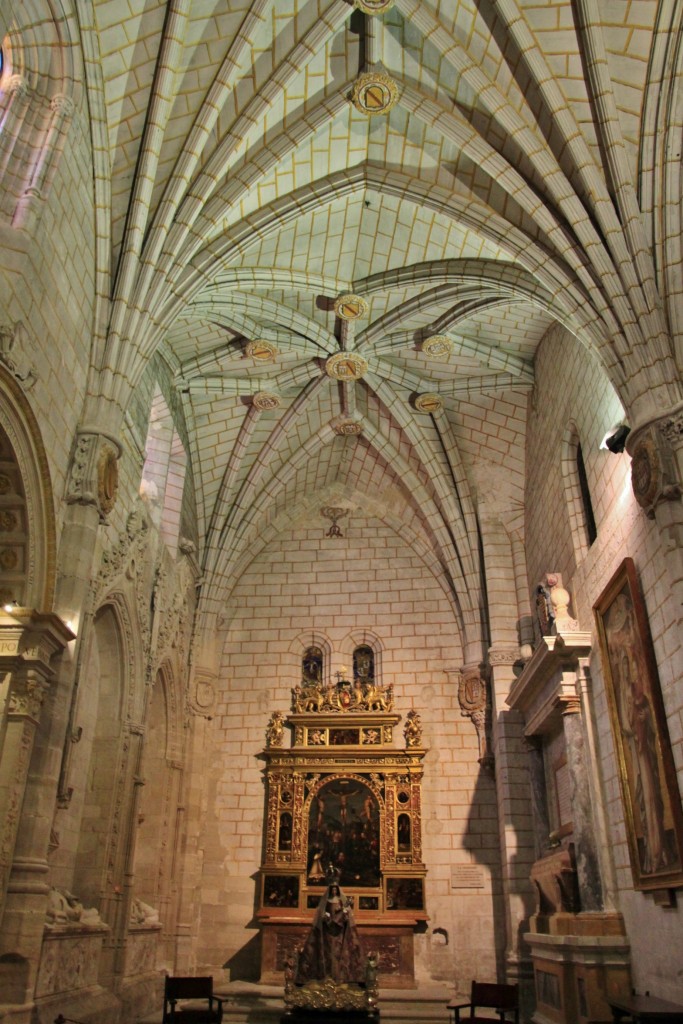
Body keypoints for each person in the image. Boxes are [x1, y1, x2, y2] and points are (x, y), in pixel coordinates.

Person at [295, 881, 365, 984]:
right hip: (327, 932)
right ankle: (326, 976)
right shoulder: (326, 901)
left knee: (338, 953)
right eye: (332, 889)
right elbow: (321, 913)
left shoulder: (342, 902)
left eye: (335, 889)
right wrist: (325, 917)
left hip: (339, 933)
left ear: (337, 890)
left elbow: (346, 916)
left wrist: (344, 914)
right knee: (328, 953)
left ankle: (339, 977)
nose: (334, 890)